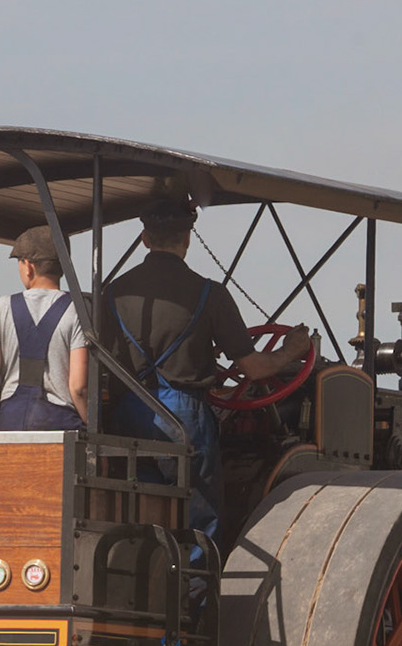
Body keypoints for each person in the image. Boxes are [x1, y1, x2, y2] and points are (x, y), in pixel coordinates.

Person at [96, 196, 314, 540]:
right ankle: (195, 574)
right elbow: (254, 369)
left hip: (127, 414)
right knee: (198, 515)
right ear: (187, 239)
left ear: (144, 238)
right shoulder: (210, 294)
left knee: (138, 509)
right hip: (184, 416)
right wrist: (290, 351)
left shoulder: (112, 293)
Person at [0, 228, 91, 430]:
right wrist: (93, 427)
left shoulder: (1, 308)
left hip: (10, 419)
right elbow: (78, 387)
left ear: (28, 266)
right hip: (59, 424)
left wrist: (0, 423)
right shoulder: (78, 310)